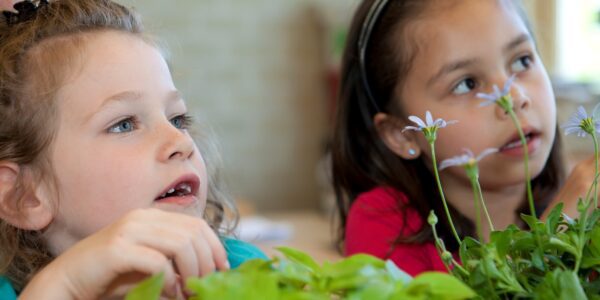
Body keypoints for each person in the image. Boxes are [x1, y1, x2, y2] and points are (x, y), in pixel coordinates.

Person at [0, 0, 266, 298]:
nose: (181, 142)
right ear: (24, 196)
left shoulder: (242, 270)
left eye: (178, 119)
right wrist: (62, 286)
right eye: (124, 124)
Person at [332, 0, 595, 277]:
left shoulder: (583, 198)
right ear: (401, 134)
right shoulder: (382, 223)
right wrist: (558, 232)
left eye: (522, 60)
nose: (514, 98)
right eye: (466, 84)